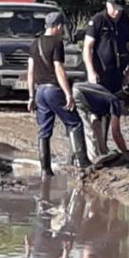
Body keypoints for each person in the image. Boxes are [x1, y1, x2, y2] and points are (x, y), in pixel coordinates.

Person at [28, 12, 90, 176]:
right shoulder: (57, 43)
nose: (63, 29)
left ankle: (45, 170)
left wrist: (31, 96)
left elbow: (30, 71)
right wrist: (68, 93)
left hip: (40, 91)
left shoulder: (35, 43)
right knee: (74, 123)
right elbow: (59, 69)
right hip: (53, 90)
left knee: (44, 130)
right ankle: (82, 163)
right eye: (62, 26)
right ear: (57, 26)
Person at [83, 0, 129, 94]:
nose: (117, 12)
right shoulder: (98, 20)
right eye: (114, 9)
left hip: (118, 73)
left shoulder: (125, 20)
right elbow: (88, 47)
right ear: (107, 5)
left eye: (119, 10)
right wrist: (90, 71)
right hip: (100, 72)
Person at [72, 82, 129, 162]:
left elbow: (97, 125)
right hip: (80, 94)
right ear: (122, 103)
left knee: (92, 127)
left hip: (76, 89)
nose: (123, 114)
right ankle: (92, 159)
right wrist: (125, 151)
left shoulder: (103, 100)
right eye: (124, 110)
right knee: (88, 131)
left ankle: (99, 154)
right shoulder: (115, 101)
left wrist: (104, 150)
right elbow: (116, 132)